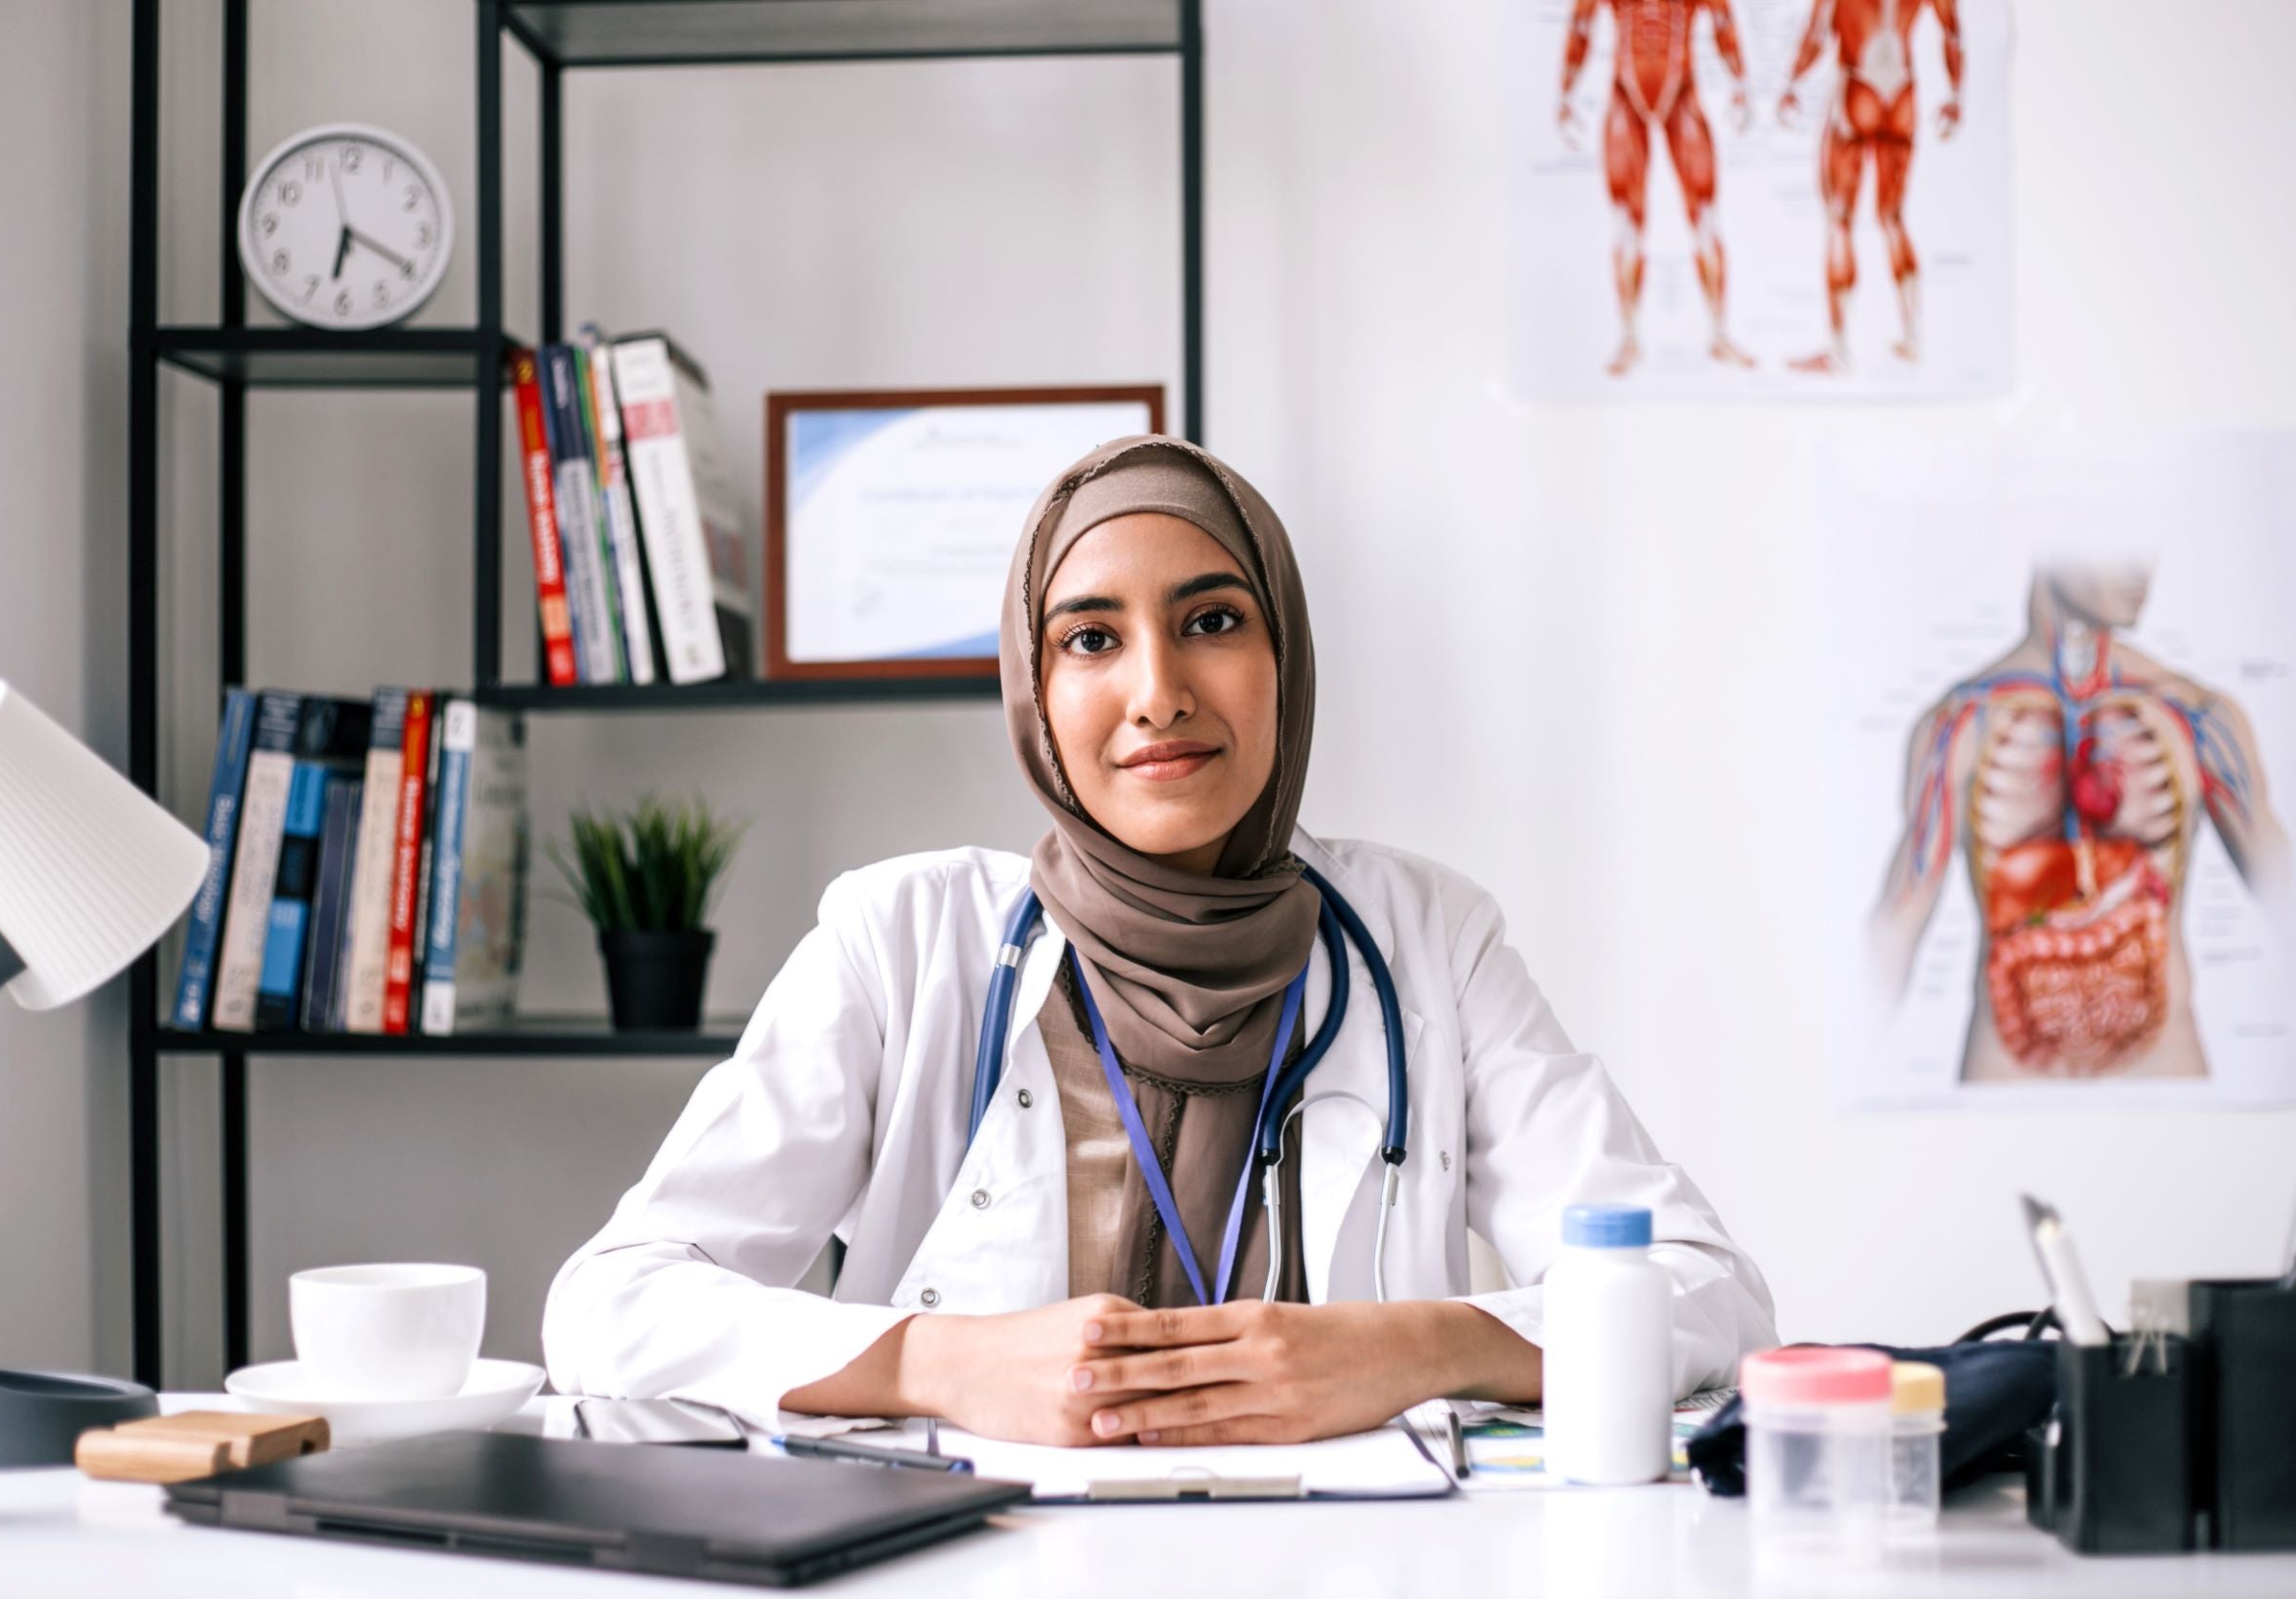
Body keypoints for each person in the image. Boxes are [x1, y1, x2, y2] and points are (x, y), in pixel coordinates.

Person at [546, 437, 1775, 1446]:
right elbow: (610, 1302)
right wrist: (940, 1362)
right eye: (1091, 637)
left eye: (1212, 619)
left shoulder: (1427, 938)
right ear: (1035, 687)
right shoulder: (902, 940)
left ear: (1281, 658)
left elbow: (1708, 1289)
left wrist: (1408, 1343)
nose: (1156, 691)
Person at [1868, 562, 2289, 1081]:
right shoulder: (1959, 725)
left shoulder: (2196, 716)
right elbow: (1895, 928)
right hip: (2005, 1109)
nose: (2142, 562)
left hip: (2167, 1102)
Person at [1558, 0, 1756, 376]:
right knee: (1627, 223)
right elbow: (1581, 26)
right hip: (1627, 94)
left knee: (1705, 216)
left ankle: (1718, 333)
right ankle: (1630, 336)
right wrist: (1566, 92)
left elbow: (1722, 20)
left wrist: (1740, 81)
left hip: (1681, 90)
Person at [1779, 0, 1964, 372]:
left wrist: (1792, 82)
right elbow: (1951, 31)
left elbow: (1817, 34)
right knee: (1892, 217)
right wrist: (1956, 96)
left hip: (1858, 89)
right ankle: (1913, 336)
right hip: (1902, 96)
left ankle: (1839, 349)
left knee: (1840, 218)